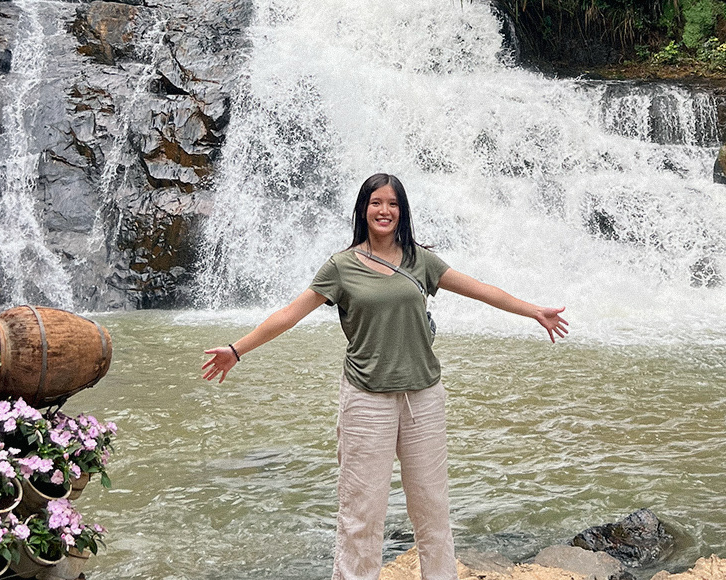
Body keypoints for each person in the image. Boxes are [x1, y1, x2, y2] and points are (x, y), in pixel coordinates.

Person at [201, 173, 568, 580]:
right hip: (366, 399)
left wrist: (533, 311)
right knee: (362, 511)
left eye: (393, 204)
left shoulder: (420, 260)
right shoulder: (340, 267)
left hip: (423, 398)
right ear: (363, 209)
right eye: (376, 202)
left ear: (402, 212)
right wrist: (237, 350)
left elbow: (481, 289)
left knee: (432, 508)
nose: (384, 211)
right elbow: (290, 314)